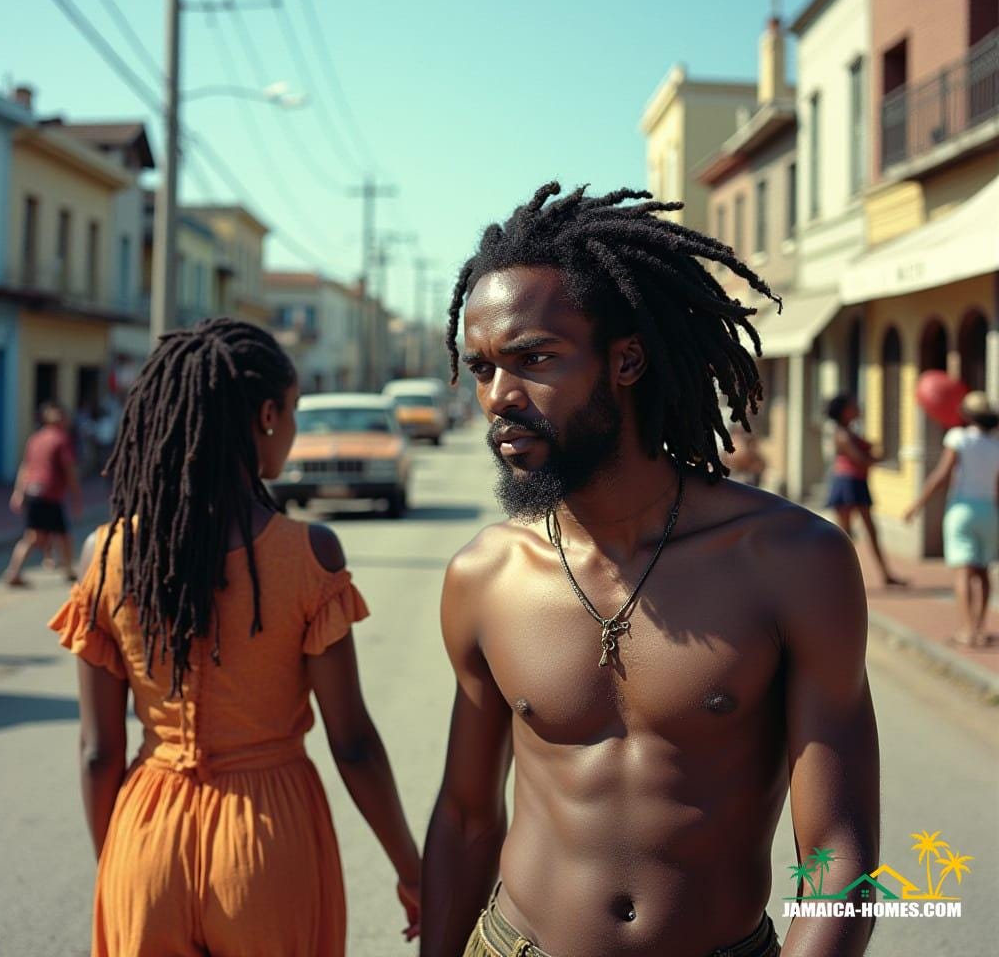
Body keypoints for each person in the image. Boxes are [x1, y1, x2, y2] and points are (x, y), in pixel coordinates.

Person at [421, 184, 880, 957]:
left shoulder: (793, 561)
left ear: (626, 359)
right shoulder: (485, 575)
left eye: (534, 358)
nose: (498, 397)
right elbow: (466, 819)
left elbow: (839, 851)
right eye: (483, 368)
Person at [47, 319, 420, 956]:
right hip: (268, 846)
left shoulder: (104, 556)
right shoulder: (310, 554)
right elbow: (352, 742)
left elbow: (97, 752)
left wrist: (121, 868)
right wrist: (412, 872)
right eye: (296, 411)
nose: (296, 429)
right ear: (268, 416)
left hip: (146, 838)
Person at [904, 391, 999, 648]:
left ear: (967, 415)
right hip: (989, 512)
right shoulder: (996, 445)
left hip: (961, 510)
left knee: (963, 572)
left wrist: (916, 505)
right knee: (983, 572)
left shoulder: (958, 438)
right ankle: (980, 627)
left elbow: (942, 475)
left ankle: (967, 630)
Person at [824, 393, 907, 588]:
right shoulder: (843, 434)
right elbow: (860, 459)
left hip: (856, 482)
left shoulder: (850, 432)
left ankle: (884, 574)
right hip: (847, 482)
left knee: (867, 531)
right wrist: (877, 459)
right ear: (845, 411)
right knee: (844, 535)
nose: (858, 408)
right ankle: (836, 577)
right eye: (853, 405)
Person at [4, 402, 82, 585]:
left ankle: (14, 571)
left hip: (33, 492)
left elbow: (25, 467)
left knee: (36, 536)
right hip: (50, 493)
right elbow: (69, 470)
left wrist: (18, 492)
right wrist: (76, 497)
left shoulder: (35, 438)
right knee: (59, 535)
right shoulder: (61, 439)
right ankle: (68, 569)